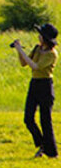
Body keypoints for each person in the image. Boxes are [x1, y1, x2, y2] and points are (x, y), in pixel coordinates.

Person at [12, 23, 57, 158]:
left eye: (41, 35)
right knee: (28, 119)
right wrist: (18, 51)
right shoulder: (37, 49)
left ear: (46, 38)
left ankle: (51, 151)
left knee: (45, 121)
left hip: (45, 86)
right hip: (34, 84)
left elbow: (35, 66)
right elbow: (24, 63)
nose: (38, 37)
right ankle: (42, 144)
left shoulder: (52, 54)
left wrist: (20, 50)